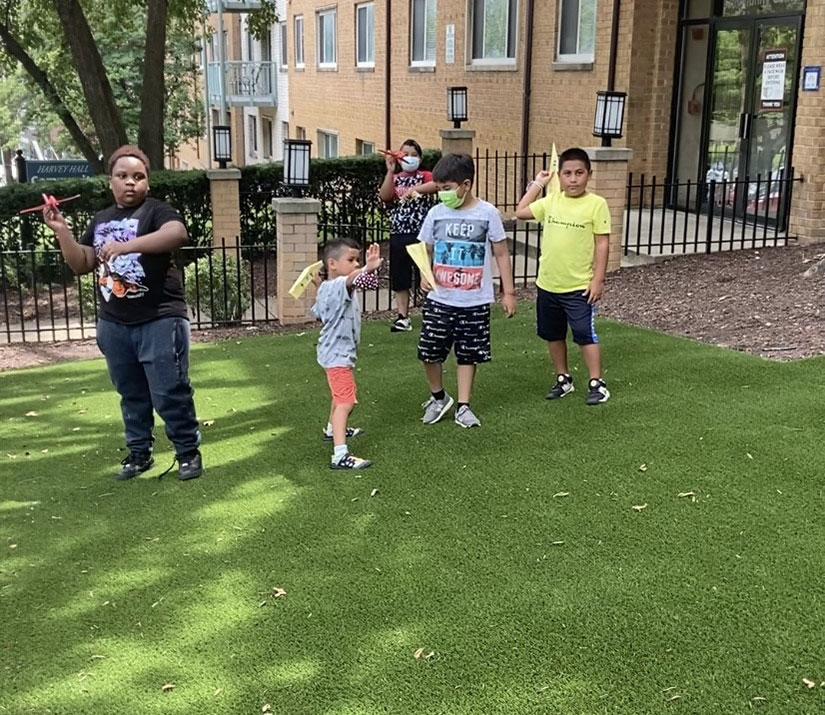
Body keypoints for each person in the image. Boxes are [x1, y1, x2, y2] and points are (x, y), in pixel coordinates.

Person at [42, 145, 203, 480]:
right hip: (114, 323)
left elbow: (177, 234)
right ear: (110, 181)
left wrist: (126, 246)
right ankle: (139, 454)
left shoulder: (157, 212)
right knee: (131, 394)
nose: (131, 183)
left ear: (148, 182)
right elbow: (82, 263)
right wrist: (63, 233)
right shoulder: (100, 219)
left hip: (160, 317)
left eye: (138, 176)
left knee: (169, 391)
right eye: (122, 176)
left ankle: (187, 452)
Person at [416, 153, 517, 428]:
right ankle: (438, 397)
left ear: (466, 184)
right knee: (429, 351)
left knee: (468, 354)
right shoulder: (436, 214)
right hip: (440, 299)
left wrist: (508, 292)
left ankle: (463, 406)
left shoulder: (487, 213)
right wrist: (425, 274)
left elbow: (501, 253)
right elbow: (423, 248)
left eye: (447, 189)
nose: (442, 195)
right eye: (439, 189)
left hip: (475, 300)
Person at [514, 147, 612, 405]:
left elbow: (602, 243)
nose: (573, 179)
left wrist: (598, 279)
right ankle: (563, 378)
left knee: (584, 334)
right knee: (553, 334)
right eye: (567, 173)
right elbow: (520, 211)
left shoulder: (597, 204)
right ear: (559, 176)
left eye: (579, 173)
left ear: (589, 175)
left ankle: (596, 383)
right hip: (548, 285)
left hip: (579, 287)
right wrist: (538, 183)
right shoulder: (551, 201)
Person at [312, 238, 383, 470]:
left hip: (332, 352)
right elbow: (356, 279)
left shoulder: (325, 287)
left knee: (338, 395)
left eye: (357, 260)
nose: (356, 264)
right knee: (346, 401)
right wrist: (367, 268)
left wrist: (368, 271)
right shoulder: (340, 284)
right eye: (351, 260)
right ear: (332, 263)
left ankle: (333, 430)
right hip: (337, 356)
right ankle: (339, 454)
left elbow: (320, 313)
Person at [378, 139, 437, 332]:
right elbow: (385, 196)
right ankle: (402, 316)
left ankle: (431, 311)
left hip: (421, 233)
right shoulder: (395, 178)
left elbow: (436, 184)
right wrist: (390, 170)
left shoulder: (425, 176)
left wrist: (415, 190)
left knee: (425, 272)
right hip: (399, 233)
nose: (410, 158)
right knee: (401, 276)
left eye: (414, 154)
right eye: (405, 154)